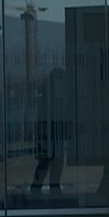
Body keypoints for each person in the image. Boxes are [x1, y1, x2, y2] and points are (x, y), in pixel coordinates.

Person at [30, 67, 70, 196]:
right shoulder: (47, 97)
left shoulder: (57, 96)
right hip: (47, 133)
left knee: (54, 160)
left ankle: (50, 186)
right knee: (46, 161)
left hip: (54, 133)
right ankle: (40, 186)